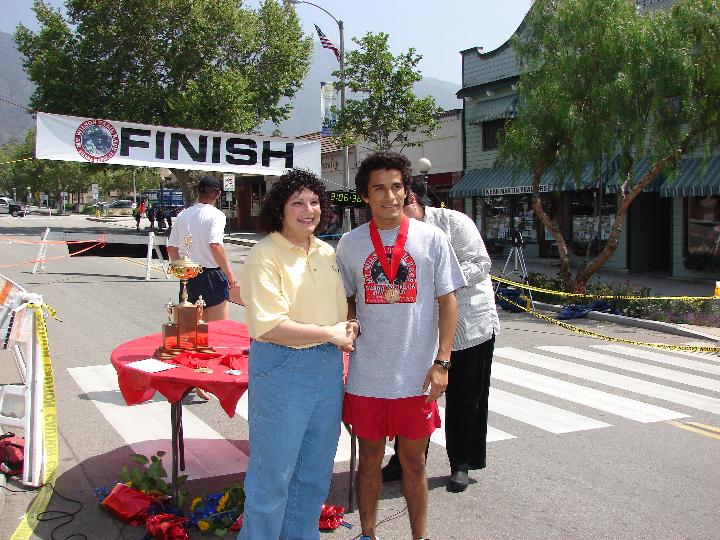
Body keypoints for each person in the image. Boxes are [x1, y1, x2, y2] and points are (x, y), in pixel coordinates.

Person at [335, 152, 465, 540]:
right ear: (365, 195)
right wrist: (349, 321)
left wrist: (443, 362)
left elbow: (448, 301)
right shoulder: (349, 244)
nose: (390, 196)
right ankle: (368, 533)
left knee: (414, 464)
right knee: (369, 462)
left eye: (396, 187)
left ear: (407, 191)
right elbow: (347, 298)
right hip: (367, 377)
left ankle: (419, 537)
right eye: (379, 188)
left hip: (416, 377)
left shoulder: (432, 239)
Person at [238, 169, 357, 540]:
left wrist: (347, 326)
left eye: (315, 201)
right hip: (282, 365)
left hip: (327, 365)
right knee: (272, 476)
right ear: (280, 209)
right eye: (297, 203)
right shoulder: (265, 255)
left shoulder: (326, 252)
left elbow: (337, 309)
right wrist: (330, 333)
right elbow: (269, 326)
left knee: (314, 473)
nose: (309, 210)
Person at [381, 177, 501, 493]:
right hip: (420, 327)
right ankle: (404, 460)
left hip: (469, 324)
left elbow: (481, 264)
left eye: (401, 202)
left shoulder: (454, 223)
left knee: (465, 395)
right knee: (412, 395)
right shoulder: (392, 233)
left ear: (414, 200)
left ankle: (461, 463)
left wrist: (439, 279)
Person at [167, 176, 238, 322]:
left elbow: (171, 248)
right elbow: (215, 245)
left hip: (189, 274)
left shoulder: (183, 214)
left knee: (190, 328)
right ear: (218, 194)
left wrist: (182, 272)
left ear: (198, 192)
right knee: (218, 328)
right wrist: (230, 275)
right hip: (211, 275)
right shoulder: (217, 215)